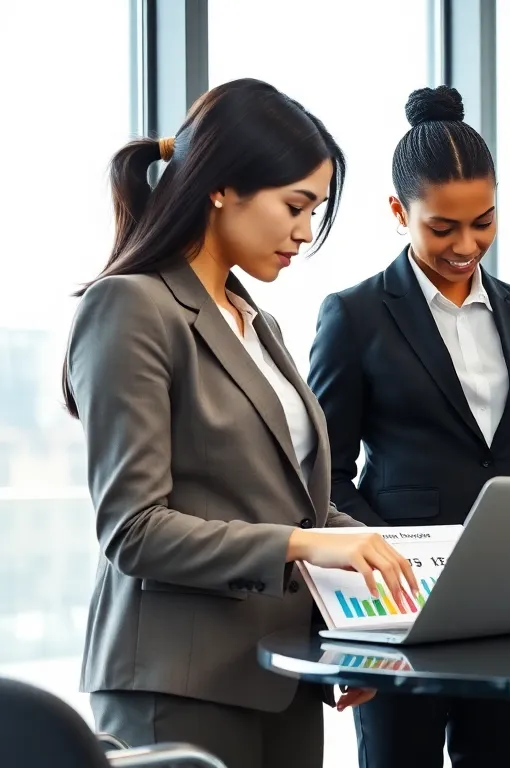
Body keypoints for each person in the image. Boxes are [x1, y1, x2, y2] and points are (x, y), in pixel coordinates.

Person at [63, 78, 417, 768]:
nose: (305, 232)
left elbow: (293, 508)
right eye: (296, 205)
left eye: (314, 210)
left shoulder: (257, 320)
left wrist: (365, 591)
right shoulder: (131, 308)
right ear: (222, 186)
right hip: (177, 688)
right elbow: (133, 530)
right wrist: (303, 545)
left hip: (280, 677)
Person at [306, 85, 510, 768]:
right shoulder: (354, 315)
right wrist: (394, 554)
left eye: (483, 222)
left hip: (508, 603)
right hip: (401, 607)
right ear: (398, 211)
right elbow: (324, 476)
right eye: (442, 227)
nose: (466, 245)